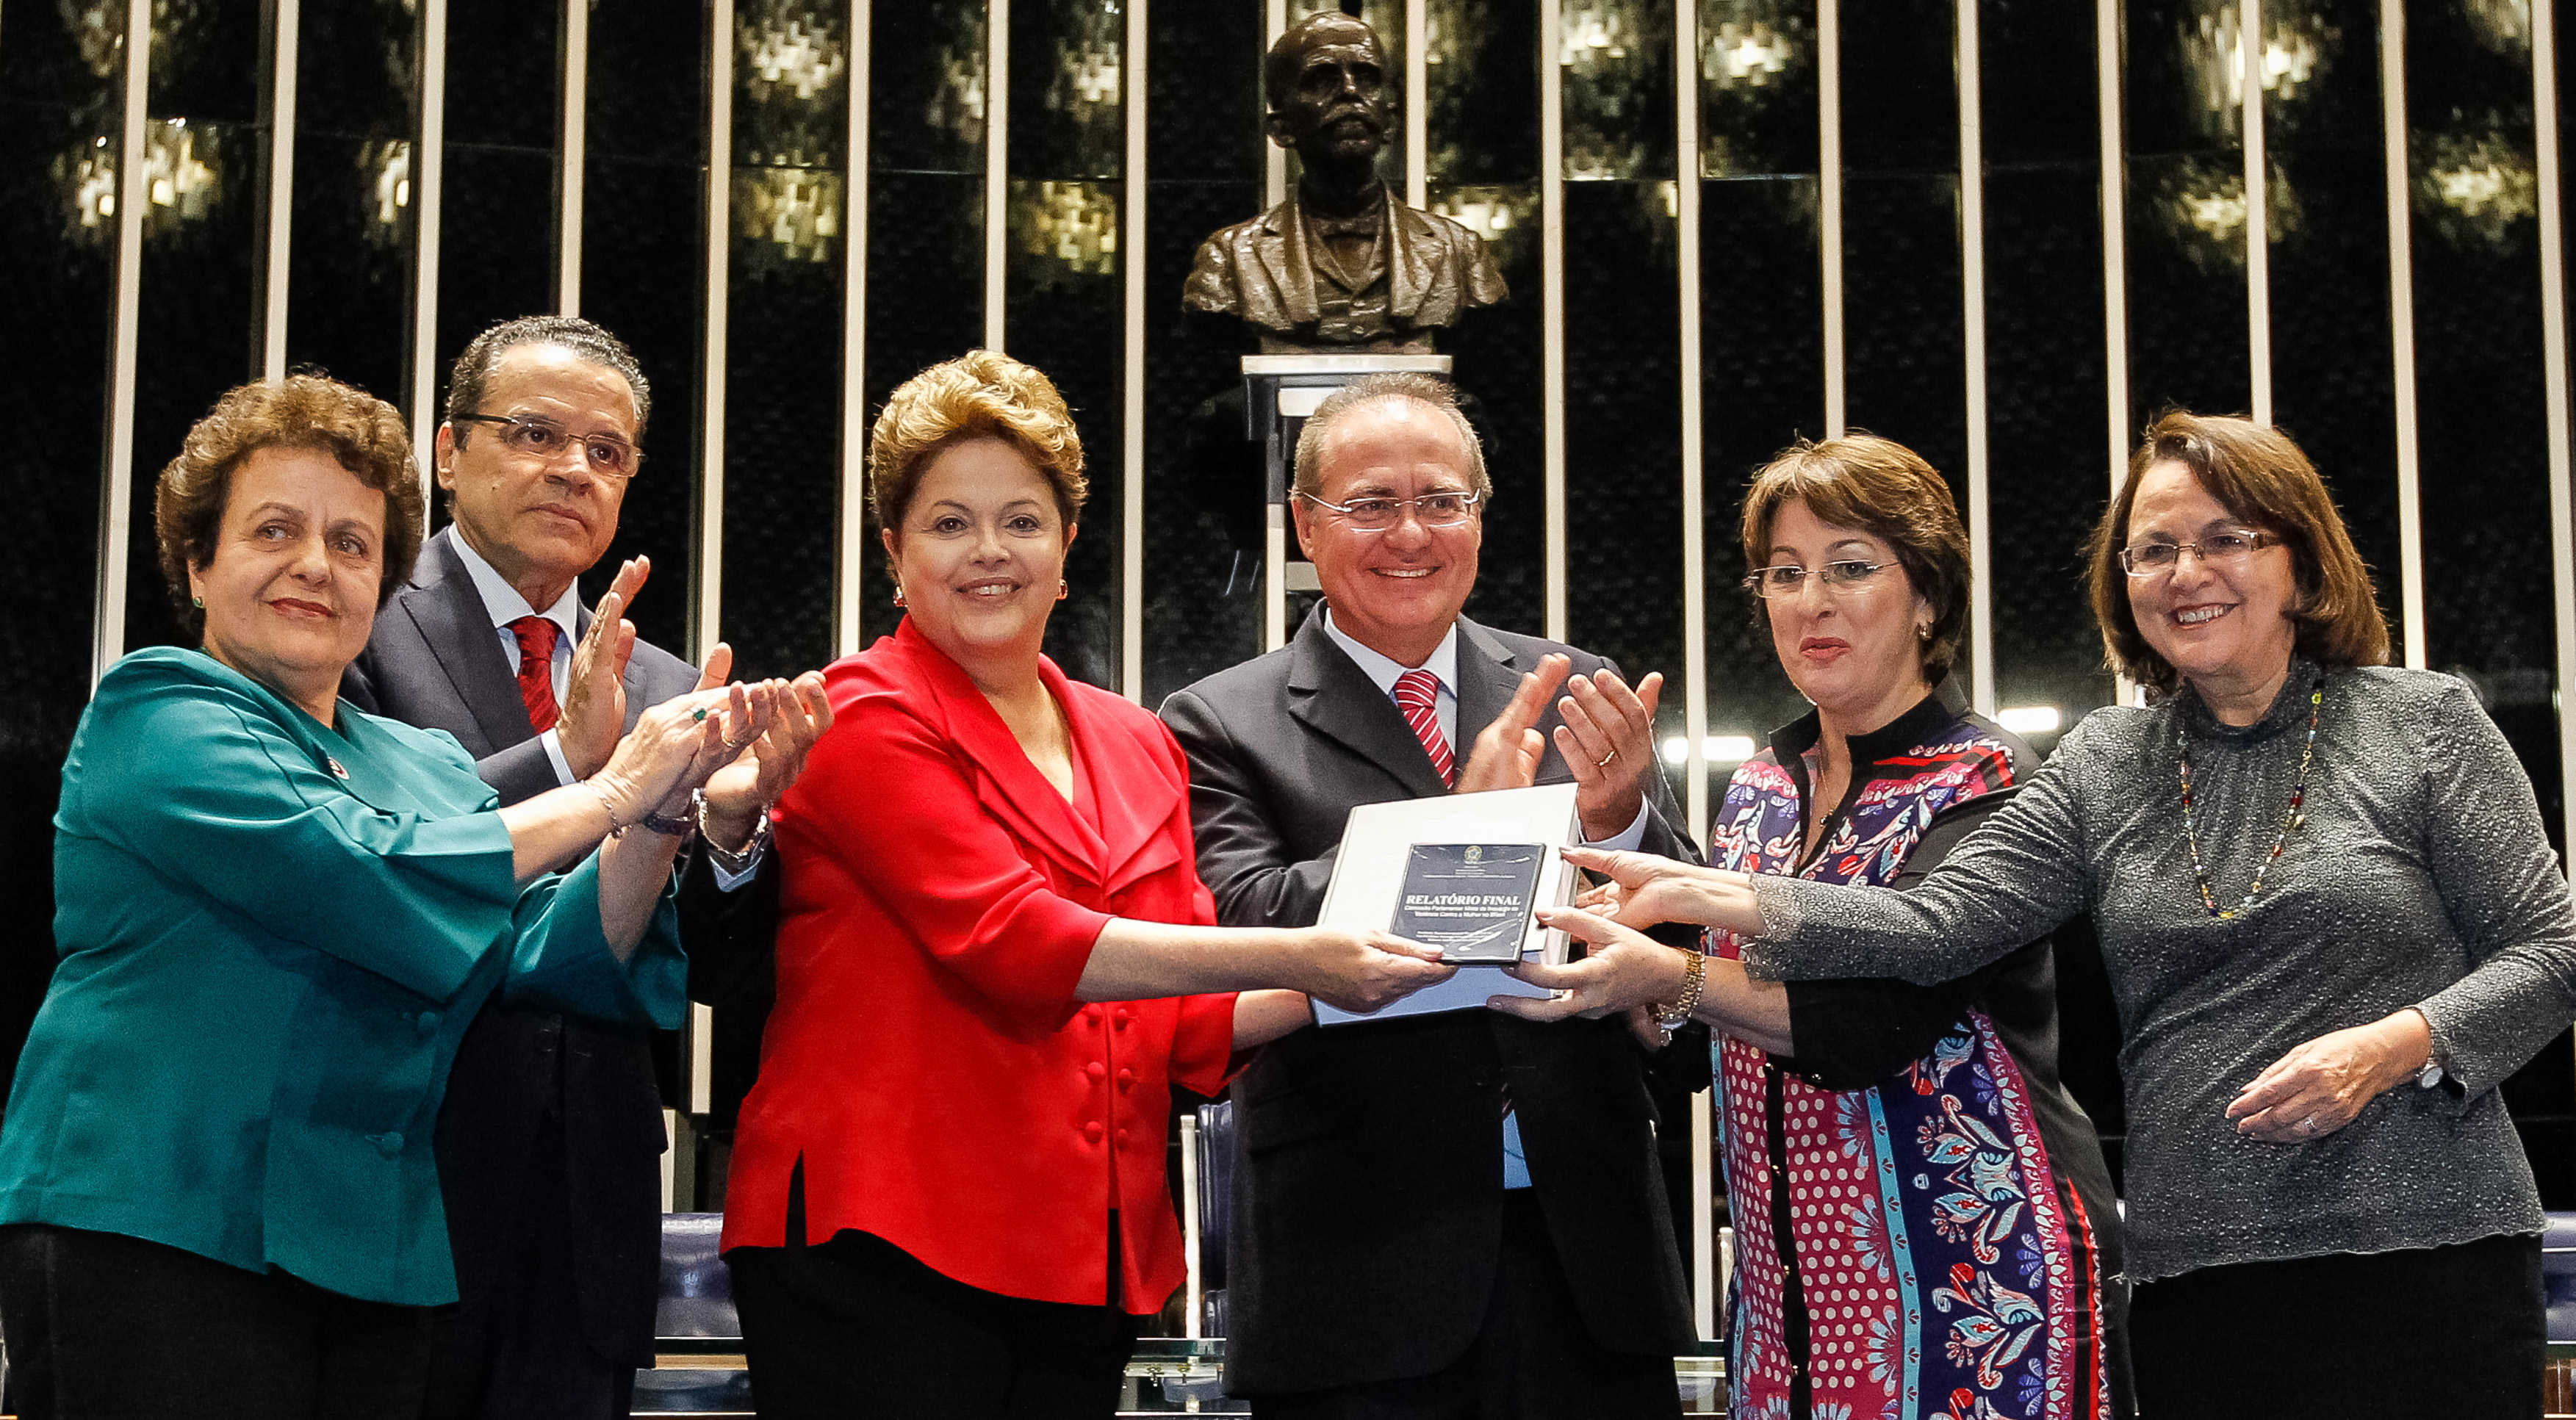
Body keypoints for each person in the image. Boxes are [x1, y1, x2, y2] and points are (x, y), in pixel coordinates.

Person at [1539, 412, 2576, 1419]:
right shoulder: (2105, 761)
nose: (2184, 571)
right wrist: (1712, 892)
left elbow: (2555, 948)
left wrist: (2396, 1046)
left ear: (2300, 564)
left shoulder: (2422, 722)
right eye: (2152, 549)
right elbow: (1942, 923)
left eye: (2225, 539)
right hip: (2193, 1264)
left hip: (2428, 1241)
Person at [0, 375, 769, 1417]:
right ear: (197, 561)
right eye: (275, 530)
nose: (316, 565)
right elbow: (367, 869)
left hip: (376, 1256)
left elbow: (555, 949)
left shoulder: (423, 762)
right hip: (164, 1223)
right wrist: (612, 786)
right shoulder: (162, 710)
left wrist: (662, 813)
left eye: (353, 545)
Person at [715, 350, 1454, 1419]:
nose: (989, 554)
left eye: (1021, 521)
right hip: (879, 1244)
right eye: (948, 523)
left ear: (1066, 550)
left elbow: (1190, 1023)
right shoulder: (855, 715)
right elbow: (1020, 943)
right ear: (894, 552)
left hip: (1080, 1257)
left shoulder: (1135, 739)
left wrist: (1397, 966)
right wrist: (1311, 950)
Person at [1495, 436, 2126, 1420]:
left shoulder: (1986, 777)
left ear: (1927, 596)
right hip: (1792, 1291)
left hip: (1977, 1275)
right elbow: (1697, 1047)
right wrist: (1640, 997)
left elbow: (1871, 1020)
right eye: (1785, 574)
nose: (1810, 601)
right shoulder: (1759, 785)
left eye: (1849, 567)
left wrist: (1669, 978)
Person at [1157, 372, 1701, 1416]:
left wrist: (1621, 818)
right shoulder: (1216, 721)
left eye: (1441, 500)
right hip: (1357, 1267)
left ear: (1479, 520)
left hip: (1587, 1259)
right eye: (1370, 504)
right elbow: (1242, 928)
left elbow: (1676, 981)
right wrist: (1461, 824)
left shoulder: (1571, 679)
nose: (1410, 532)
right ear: (1304, 528)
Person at [340, 314, 829, 1419]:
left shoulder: (666, 678)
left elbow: (707, 973)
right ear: (449, 452)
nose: (573, 468)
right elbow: (382, 865)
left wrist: (733, 837)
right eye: (534, 433)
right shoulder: (351, 621)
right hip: (401, 1171)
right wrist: (581, 767)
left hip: (590, 1203)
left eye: (607, 452)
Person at [1183, 11, 1505, 353]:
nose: (1350, 92)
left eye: (1367, 78)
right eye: (1322, 80)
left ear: (1391, 122)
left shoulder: (1460, 252)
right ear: (1281, 128)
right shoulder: (1229, 256)